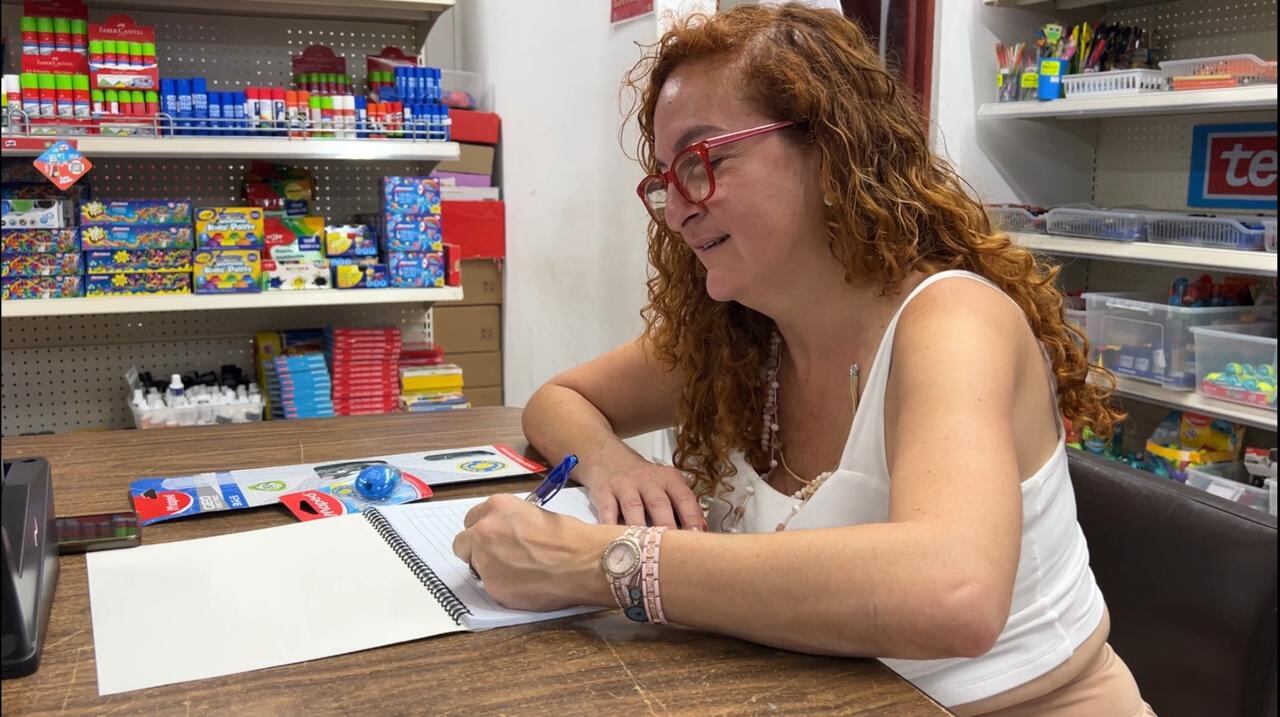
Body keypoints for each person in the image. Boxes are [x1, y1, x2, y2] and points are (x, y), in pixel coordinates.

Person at [452, 5, 1155, 715]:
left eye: (704, 160)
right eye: (666, 178)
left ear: (830, 150)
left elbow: (954, 592)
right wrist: (614, 463)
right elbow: (558, 400)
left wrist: (602, 561)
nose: (676, 209)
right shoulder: (740, 331)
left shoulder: (952, 322)